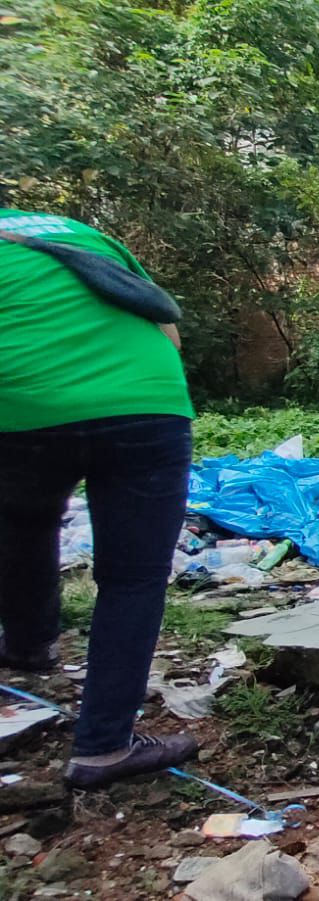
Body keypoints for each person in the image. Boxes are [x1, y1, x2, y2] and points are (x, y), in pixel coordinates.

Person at [0, 208, 199, 788]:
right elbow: (167, 330)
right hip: (146, 401)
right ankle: (104, 745)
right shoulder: (79, 233)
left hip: (21, 407)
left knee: (24, 521)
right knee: (133, 579)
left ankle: (30, 643)